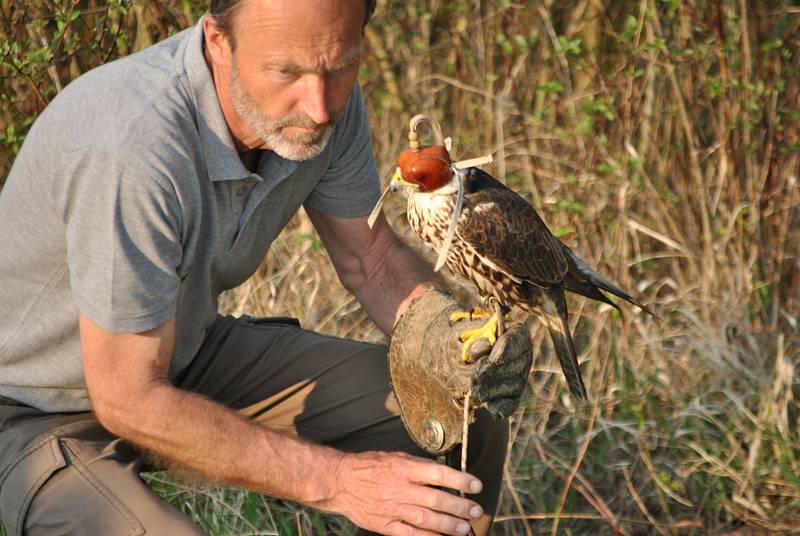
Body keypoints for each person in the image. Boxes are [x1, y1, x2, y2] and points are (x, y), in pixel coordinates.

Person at [0, 1, 527, 534]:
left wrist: (446, 342)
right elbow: (127, 397)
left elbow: (370, 258)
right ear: (217, 43)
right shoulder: (132, 147)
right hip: (33, 410)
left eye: (341, 64)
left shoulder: (322, 103)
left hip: (181, 352)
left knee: (464, 418)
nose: (320, 107)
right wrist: (341, 480)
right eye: (287, 72)